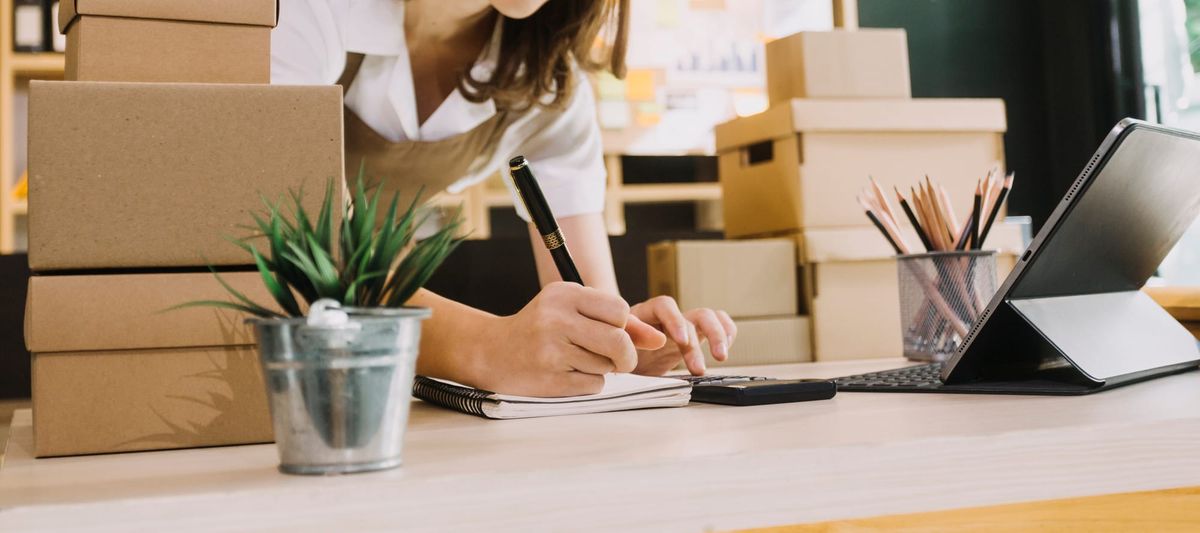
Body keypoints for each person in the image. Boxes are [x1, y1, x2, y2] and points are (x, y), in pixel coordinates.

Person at [272, 0, 736, 396]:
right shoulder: (300, 12)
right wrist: (487, 345)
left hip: (359, 371)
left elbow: (590, 292)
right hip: (251, 331)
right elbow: (312, 259)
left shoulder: (549, 83)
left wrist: (621, 343)